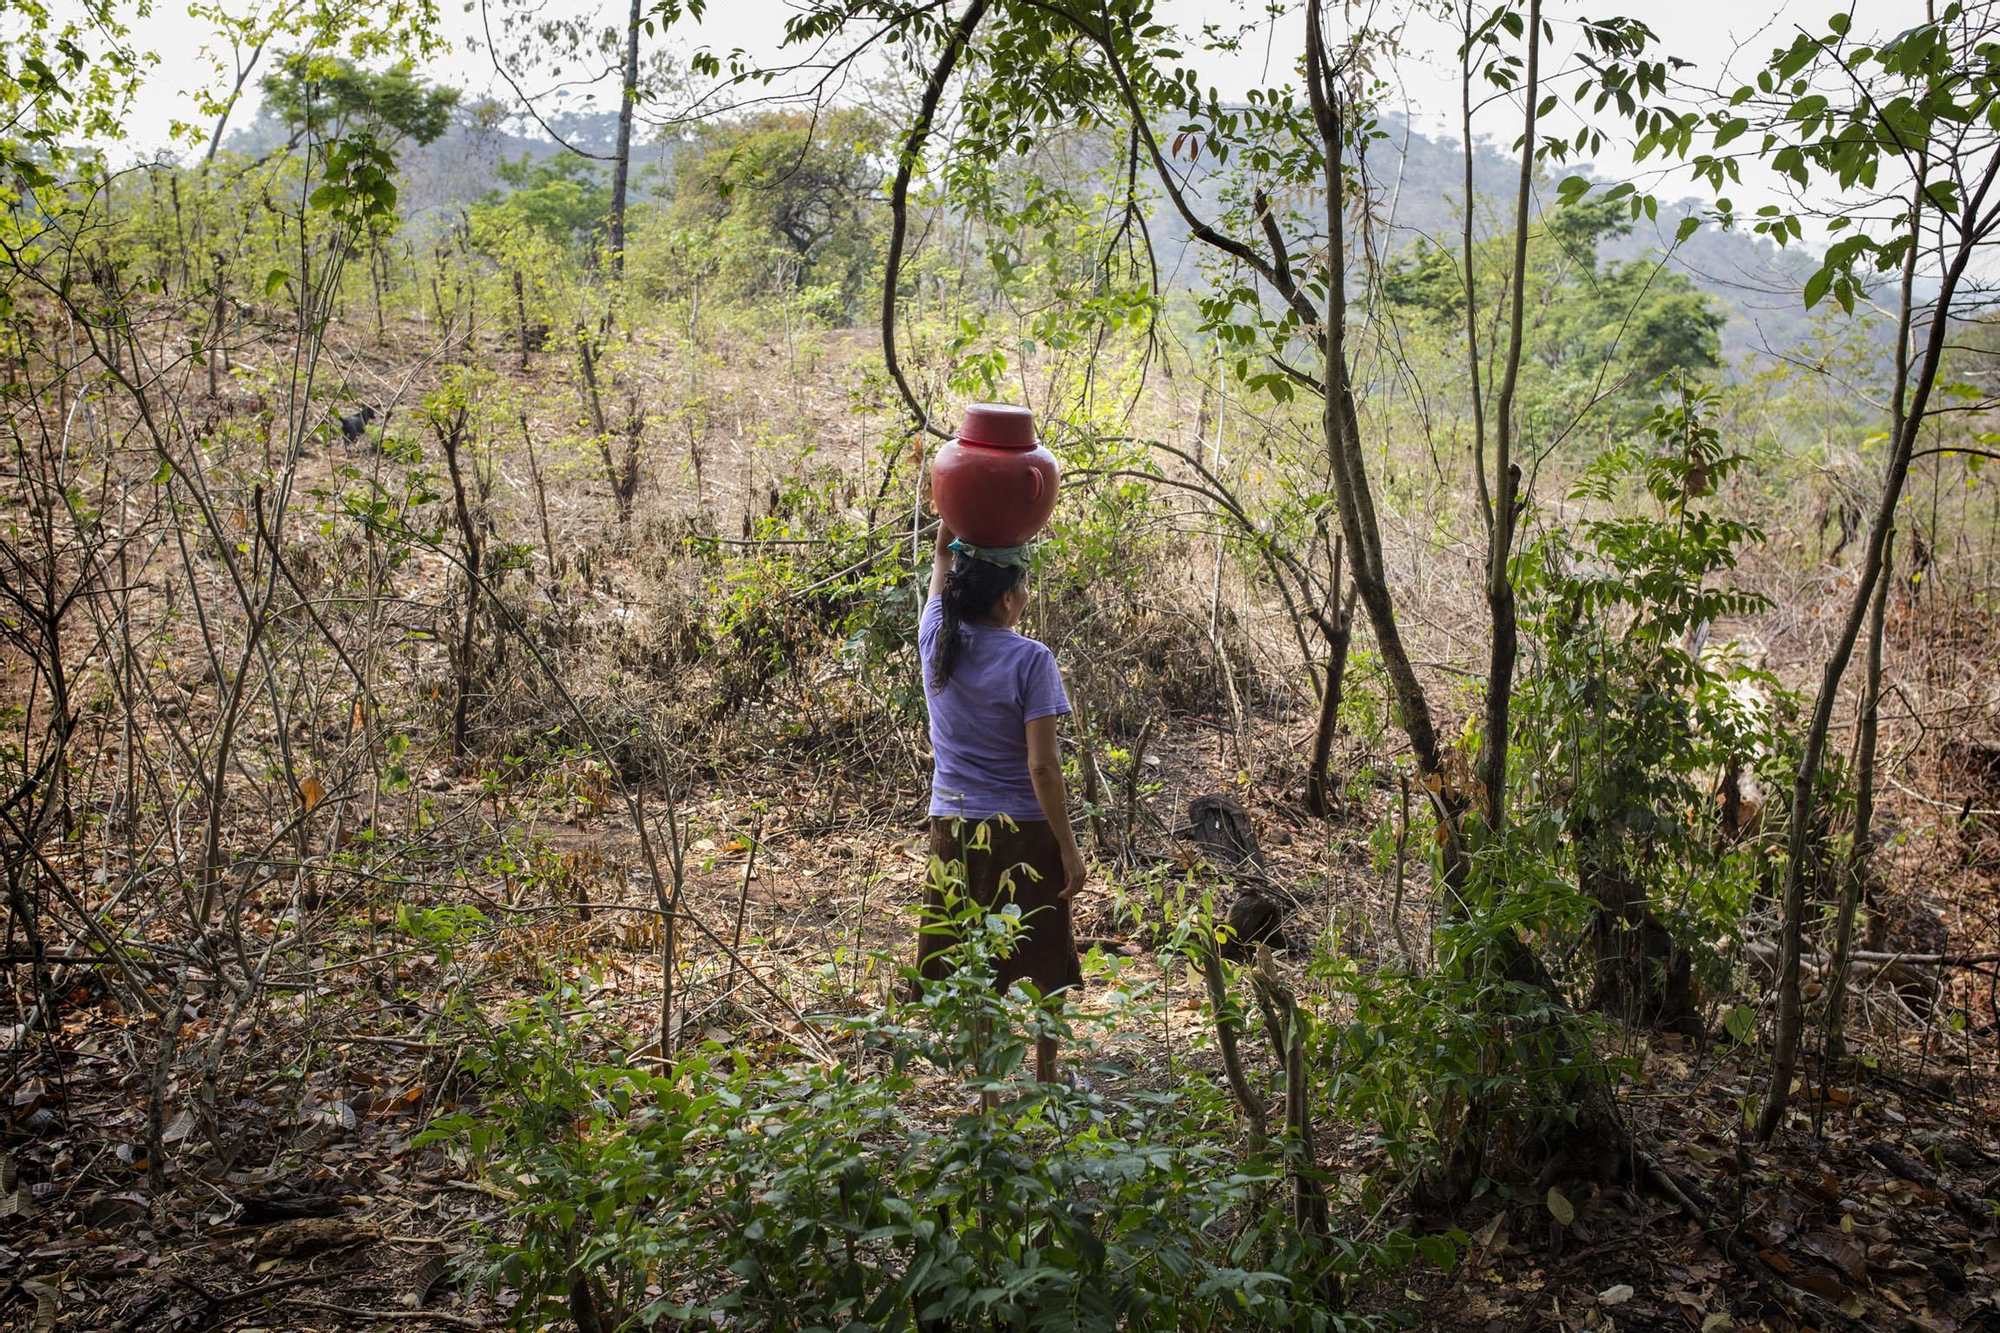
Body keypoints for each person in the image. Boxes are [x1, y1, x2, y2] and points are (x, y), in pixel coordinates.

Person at [916, 518, 1086, 1085]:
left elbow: (941, 555)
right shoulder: (1030, 660)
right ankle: (1046, 1073)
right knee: (1044, 954)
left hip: (954, 827)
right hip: (1024, 829)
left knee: (971, 956)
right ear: (1009, 597)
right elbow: (1042, 765)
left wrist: (959, 513)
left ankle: (982, 1078)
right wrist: (1069, 847)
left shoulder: (934, 631)